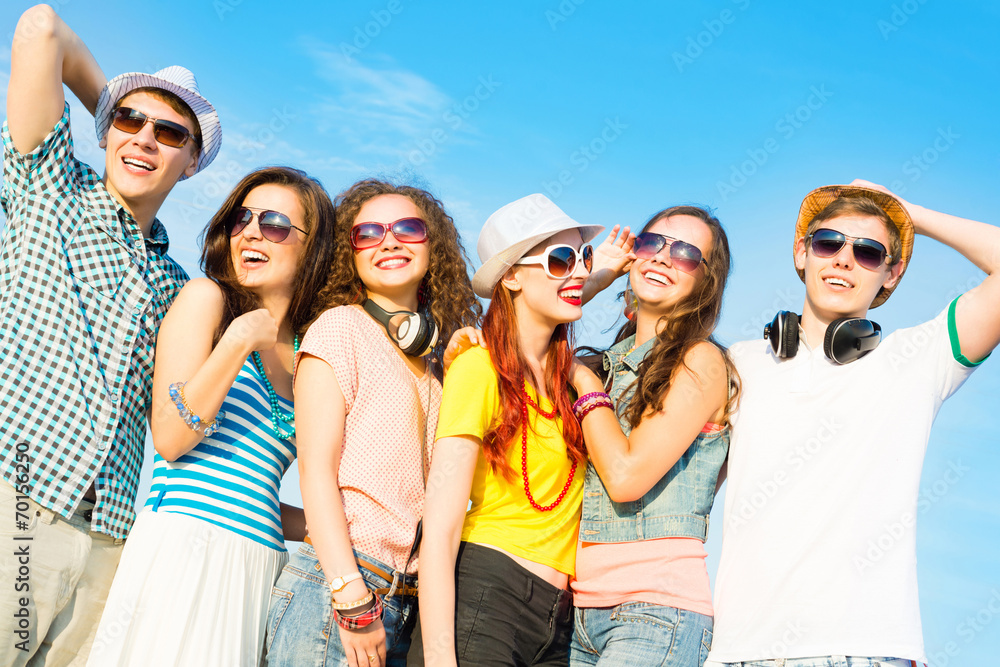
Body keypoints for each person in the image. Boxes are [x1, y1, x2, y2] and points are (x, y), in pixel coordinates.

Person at [0, 6, 221, 665]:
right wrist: (113, 113)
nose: (145, 138)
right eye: (132, 121)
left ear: (191, 163)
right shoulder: (47, 188)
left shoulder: (180, 287)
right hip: (19, 507)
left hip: (110, 541)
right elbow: (41, 27)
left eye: (170, 133)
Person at [704, 181, 1000, 667]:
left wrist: (908, 212)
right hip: (738, 653)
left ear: (891, 272)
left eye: (867, 252)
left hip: (866, 652)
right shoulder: (738, 363)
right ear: (802, 253)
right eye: (828, 243)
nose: (843, 259)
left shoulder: (918, 359)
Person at [83, 166, 335, 665]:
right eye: (242, 219)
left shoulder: (312, 350)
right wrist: (240, 339)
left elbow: (251, 486)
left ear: (312, 247)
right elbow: (172, 439)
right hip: (182, 548)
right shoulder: (207, 301)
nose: (252, 232)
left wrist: (321, 527)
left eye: (276, 224)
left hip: (259, 564)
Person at [265, 179, 481, 667]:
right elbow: (315, 473)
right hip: (344, 589)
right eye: (369, 233)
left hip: (410, 602)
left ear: (434, 246)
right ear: (351, 253)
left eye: (407, 228)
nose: (389, 241)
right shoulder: (339, 327)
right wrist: (351, 596)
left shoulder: (441, 366)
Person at [419, 193, 605, 667]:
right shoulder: (477, 367)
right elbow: (439, 529)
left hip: (559, 620)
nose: (580, 270)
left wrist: (613, 267)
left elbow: (570, 291)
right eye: (561, 259)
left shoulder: (573, 385)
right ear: (512, 277)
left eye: (583, 257)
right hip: (488, 594)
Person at [566, 206, 737, 666]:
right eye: (650, 244)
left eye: (684, 253)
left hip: (656, 613)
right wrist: (597, 276)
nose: (662, 257)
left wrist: (583, 385)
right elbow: (525, 331)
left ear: (705, 280)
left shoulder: (700, 361)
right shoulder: (606, 364)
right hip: (578, 611)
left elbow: (626, 477)